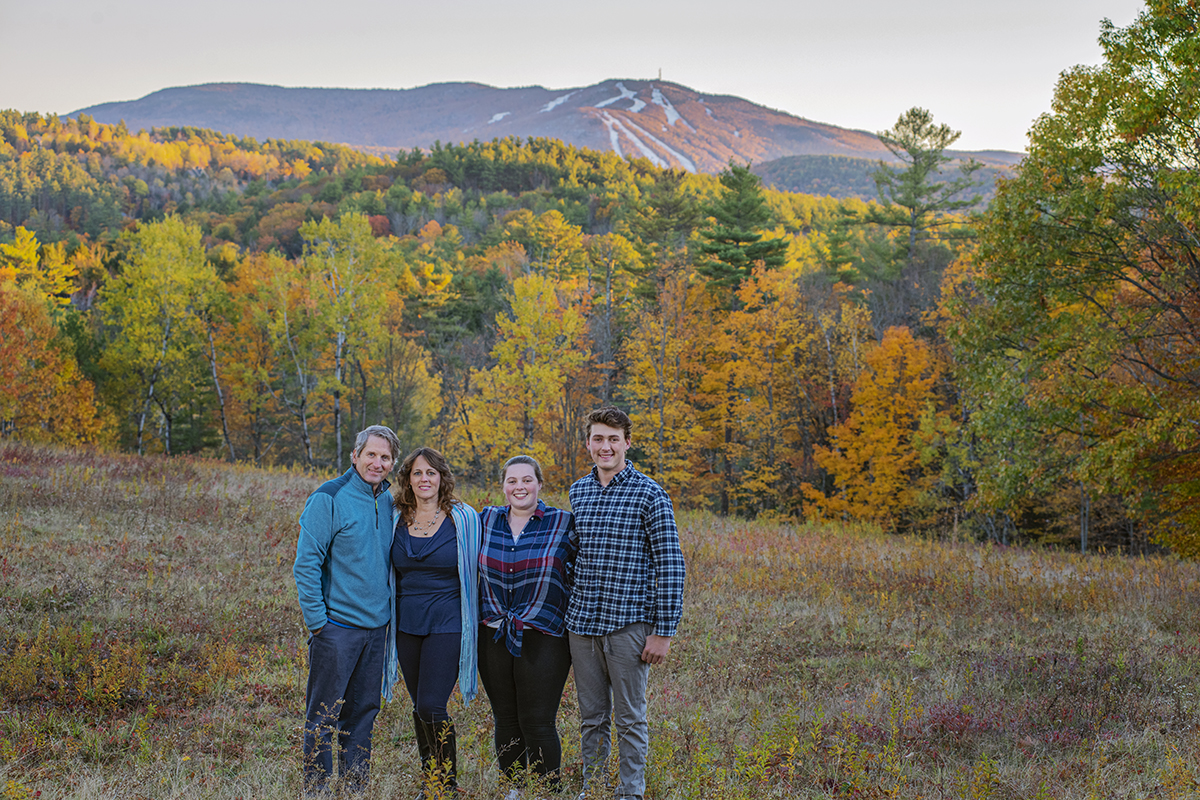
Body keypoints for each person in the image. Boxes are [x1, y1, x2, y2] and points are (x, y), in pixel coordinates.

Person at [567, 407, 686, 800]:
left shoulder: (650, 494)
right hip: (583, 623)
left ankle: (630, 791)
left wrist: (663, 632)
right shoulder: (579, 491)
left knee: (630, 716)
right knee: (591, 715)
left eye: (613, 439)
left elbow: (671, 564)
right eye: (598, 439)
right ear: (588, 443)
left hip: (628, 624)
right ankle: (594, 787)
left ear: (627, 443)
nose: (606, 446)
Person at [293, 425, 402, 795]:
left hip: (376, 630)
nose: (377, 463)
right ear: (355, 456)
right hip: (336, 629)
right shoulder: (329, 497)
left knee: (363, 714)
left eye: (385, 457)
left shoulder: (388, 502)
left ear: (392, 463)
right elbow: (306, 564)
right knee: (323, 716)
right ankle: (318, 790)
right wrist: (318, 623)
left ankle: (356, 788)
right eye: (371, 454)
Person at [477, 455, 577, 793]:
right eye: (512, 481)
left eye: (527, 480)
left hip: (543, 634)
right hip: (493, 633)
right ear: (503, 487)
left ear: (539, 484)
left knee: (537, 720)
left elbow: (588, 568)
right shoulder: (485, 520)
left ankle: (548, 791)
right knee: (505, 718)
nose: (519, 487)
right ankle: (515, 789)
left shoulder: (563, 523)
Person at [390, 447, 481, 796]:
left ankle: (447, 784)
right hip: (407, 623)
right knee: (419, 708)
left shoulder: (463, 518)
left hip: (448, 620)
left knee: (431, 705)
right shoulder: (395, 517)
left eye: (431, 472)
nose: (424, 479)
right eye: (417, 473)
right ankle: (432, 783)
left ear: (442, 477)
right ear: (407, 479)